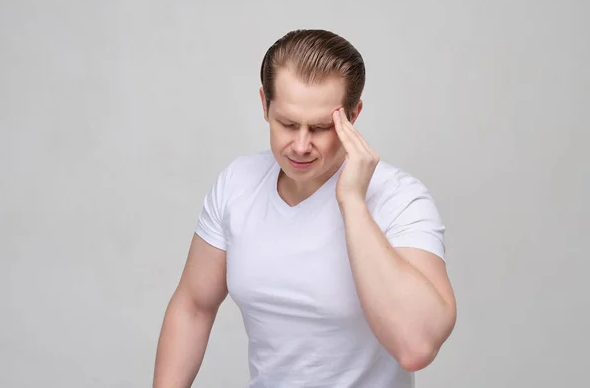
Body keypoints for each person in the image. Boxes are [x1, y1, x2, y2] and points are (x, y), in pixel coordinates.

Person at [153, 29, 457, 388]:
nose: (300, 146)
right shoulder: (237, 184)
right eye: (287, 124)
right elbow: (193, 307)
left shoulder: (399, 199)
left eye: (320, 128)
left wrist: (353, 203)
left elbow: (415, 346)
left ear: (353, 115)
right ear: (264, 104)